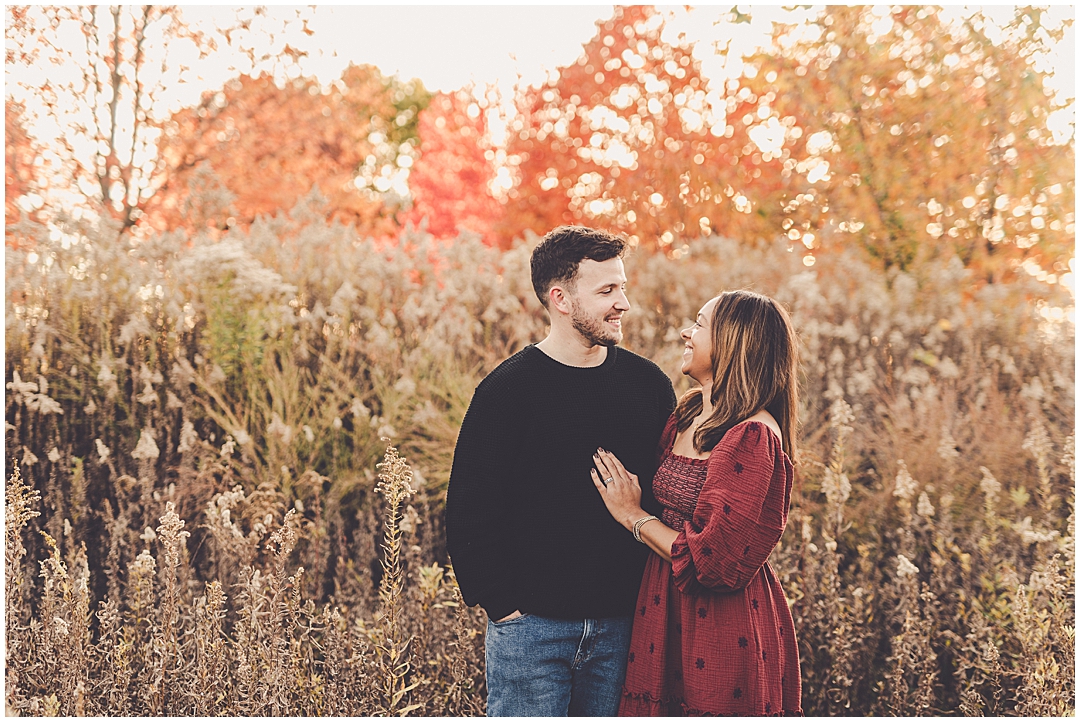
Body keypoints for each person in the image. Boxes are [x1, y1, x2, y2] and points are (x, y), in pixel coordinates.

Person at [445, 226, 676, 716]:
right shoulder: (506, 393)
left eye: (623, 287)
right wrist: (503, 607)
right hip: (531, 633)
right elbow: (469, 510)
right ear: (561, 299)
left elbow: (666, 494)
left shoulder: (648, 386)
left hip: (623, 629)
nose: (624, 304)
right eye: (607, 291)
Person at [589, 290, 803, 716]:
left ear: (733, 342)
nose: (686, 332)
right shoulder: (686, 415)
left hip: (721, 623)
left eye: (700, 324)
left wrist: (632, 516)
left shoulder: (751, 436)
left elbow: (713, 561)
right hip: (660, 609)